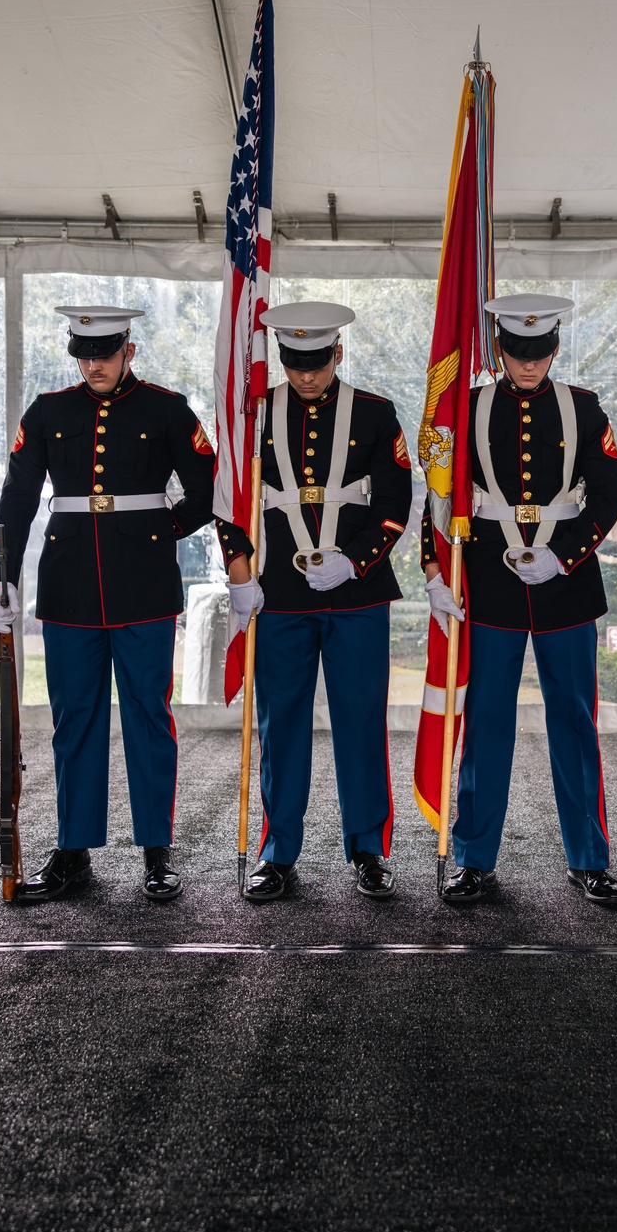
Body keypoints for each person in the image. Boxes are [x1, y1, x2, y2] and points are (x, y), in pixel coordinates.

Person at [0, 304, 253, 902]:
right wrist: (0, 576)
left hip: (143, 584)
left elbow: (212, 486)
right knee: (74, 719)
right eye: (83, 354)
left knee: (148, 718)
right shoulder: (50, 411)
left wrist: (161, 530)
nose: (92, 365)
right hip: (69, 586)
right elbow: (19, 497)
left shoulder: (165, 408)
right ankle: (74, 851)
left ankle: (157, 851)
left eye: (104, 353)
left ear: (128, 349)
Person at [422, 293, 617, 905]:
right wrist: (433, 567)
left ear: (556, 347)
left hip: (566, 585)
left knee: (575, 723)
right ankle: (474, 857)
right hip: (490, 579)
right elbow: (437, 493)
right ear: (498, 349)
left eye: (539, 352)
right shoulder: (469, 407)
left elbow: (609, 496)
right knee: (487, 724)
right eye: (517, 351)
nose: (529, 364)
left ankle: (589, 858)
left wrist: (563, 556)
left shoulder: (585, 408)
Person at [236, 300, 413, 903]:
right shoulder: (256, 414)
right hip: (280, 593)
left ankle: (369, 850)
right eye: (293, 362)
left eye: (316, 361)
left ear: (338, 353)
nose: (305, 374)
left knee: (360, 722)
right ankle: (278, 850)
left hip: (358, 593)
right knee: (280, 725)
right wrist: (240, 572)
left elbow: (396, 500)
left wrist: (355, 560)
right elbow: (234, 496)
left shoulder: (375, 412)